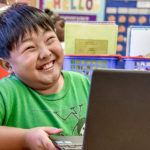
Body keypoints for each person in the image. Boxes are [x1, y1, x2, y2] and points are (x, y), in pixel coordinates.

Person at [0, 3, 90, 150]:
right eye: (30, 47)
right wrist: (24, 139)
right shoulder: (6, 92)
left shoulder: (81, 83)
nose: (46, 53)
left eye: (50, 39)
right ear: (7, 65)